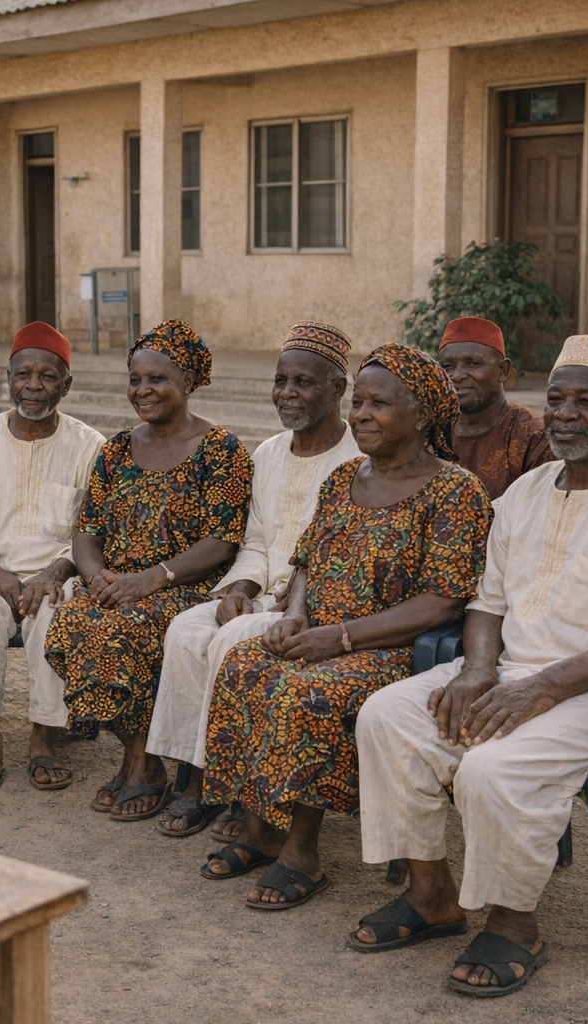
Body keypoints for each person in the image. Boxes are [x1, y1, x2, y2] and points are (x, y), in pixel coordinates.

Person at [351, 336, 588, 998]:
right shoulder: (524, 493)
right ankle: (431, 894)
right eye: (556, 400)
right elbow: (487, 602)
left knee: (493, 764)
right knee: (388, 715)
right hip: (517, 673)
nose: (566, 414)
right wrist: (475, 671)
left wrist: (542, 689)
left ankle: (514, 922)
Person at [200, 344, 492, 910]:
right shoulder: (342, 478)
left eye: (379, 403)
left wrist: (341, 637)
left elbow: (443, 602)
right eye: (358, 402)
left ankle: (301, 852)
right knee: (241, 665)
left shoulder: (455, 492)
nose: (360, 414)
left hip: (395, 649)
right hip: (322, 635)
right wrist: (295, 616)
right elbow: (307, 560)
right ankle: (261, 829)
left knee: (306, 691)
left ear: (423, 414)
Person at [146, 322, 361, 838]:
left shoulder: (359, 461)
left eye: (304, 383)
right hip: (259, 591)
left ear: (337, 388)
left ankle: (242, 792)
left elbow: (337, 559)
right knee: (186, 631)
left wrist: (280, 604)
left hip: (315, 608)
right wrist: (238, 589)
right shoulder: (266, 452)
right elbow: (258, 541)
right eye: (281, 380)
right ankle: (195, 779)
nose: (288, 393)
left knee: (230, 639)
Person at [44, 321, 253, 822]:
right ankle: (140, 755)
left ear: (189, 380)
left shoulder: (221, 450)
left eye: (157, 379)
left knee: (120, 629)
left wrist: (153, 577)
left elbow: (222, 540)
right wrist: (95, 577)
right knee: (75, 619)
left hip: (186, 586)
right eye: (135, 379)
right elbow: (87, 530)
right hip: (119, 585)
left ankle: (142, 764)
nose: (143, 390)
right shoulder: (116, 449)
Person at [0, 322, 105, 792]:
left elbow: (91, 530)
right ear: (6, 379)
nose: (34, 386)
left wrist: (55, 571)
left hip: (60, 573)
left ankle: (43, 737)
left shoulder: (89, 446)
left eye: (48, 377)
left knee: (55, 607)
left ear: (67, 385)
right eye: (23, 375)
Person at [437, 317, 553, 499]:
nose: (456, 375)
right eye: (447, 366)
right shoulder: (430, 431)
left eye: (473, 364)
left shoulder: (534, 436)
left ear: (503, 371)